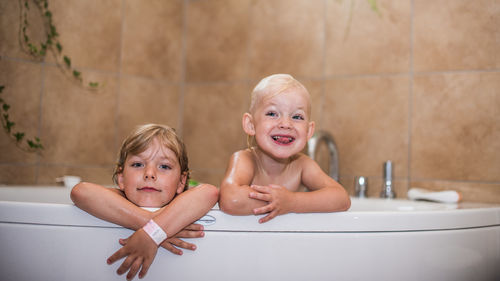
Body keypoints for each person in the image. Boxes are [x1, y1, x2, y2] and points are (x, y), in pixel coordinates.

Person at [71, 124, 218, 281]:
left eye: (164, 166)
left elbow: (210, 192)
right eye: (138, 164)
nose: (149, 174)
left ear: (181, 182)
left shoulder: (181, 202)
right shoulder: (119, 198)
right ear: (121, 178)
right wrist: (154, 230)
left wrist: (149, 234)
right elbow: (80, 191)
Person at [219, 74, 350, 223]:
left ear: (308, 131)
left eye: (297, 117)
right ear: (250, 124)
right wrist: (278, 202)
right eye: (272, 113)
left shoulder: (302, 165)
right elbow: (230, 199)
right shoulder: (245, 159)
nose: (286, 124)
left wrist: (292, 202)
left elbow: (341, 198)